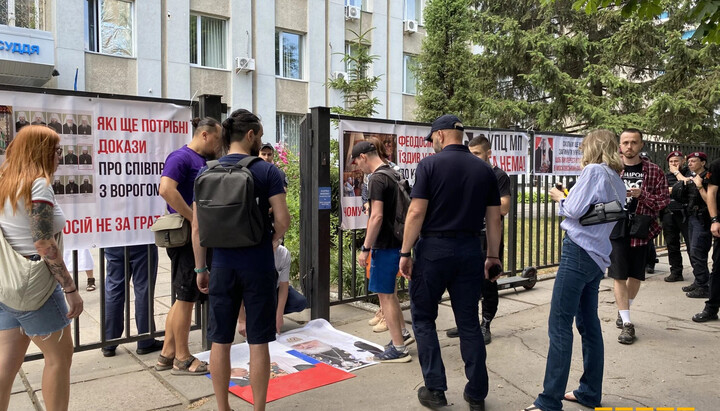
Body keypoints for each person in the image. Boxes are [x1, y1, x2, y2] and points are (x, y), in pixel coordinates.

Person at [399, 114, 501, 411]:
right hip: (470, 249)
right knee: (469, 322)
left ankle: (435, 389)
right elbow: (494, 218)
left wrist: (405, 253)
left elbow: (416, 212)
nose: (431, 144)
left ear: (441, 136)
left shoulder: (430, 165)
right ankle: (477, 394)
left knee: (423, 318)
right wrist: (492, 256)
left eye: (432, 139)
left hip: (434, 250)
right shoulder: (484, 169)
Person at [194, 109, 290, 411]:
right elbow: (284, 220)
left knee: (220, 340)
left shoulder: (206, 171)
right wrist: (272, 238)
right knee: (258, 342)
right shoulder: (267, 171)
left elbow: (197, 227)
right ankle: (258, 407)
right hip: (258, 264)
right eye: (259, 136)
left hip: (221, 265)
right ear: (250, 136)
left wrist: (201, 267)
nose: (260, 141)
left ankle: (223, 407)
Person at [524, 130, 626, 411]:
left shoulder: (594, 170)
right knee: (588, 325)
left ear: (592, 148)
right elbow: (600, 213)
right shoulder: (616, 178)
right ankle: (589, 392)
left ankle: (548, 401)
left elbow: (574, 210)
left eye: (583, 147)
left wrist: (559, 196)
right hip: (597, 257)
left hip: (578, 252)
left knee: (559, 325)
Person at [0, 125, 83, 411]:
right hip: (35, 288)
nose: (60, 156)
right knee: (59, 359)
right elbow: (44, 242)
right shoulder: (39, 185)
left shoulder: (5, 181)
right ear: (43, 151)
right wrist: (70, 288)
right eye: (58, 150)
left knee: (6, 364)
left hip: (6, 284)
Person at [156, 117, 223, 374]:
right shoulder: (180, 157)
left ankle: (167, 353)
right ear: (204, 135)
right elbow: (166, 189)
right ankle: (182, 358)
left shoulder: (201, 161)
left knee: (181, 299)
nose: (219, 145)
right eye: (217, 139)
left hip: (193, 237)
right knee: (185, 299)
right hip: (186, 238)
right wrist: (192, 217)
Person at [445, 135, 511, 345]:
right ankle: (468, 322)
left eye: (477, 154)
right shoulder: (467, 174)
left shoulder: (498, 176)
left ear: (488, 154)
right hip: (468, 235)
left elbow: (504, 207)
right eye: (470, 154)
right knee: (465, 281)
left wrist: (477, 198)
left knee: (487, 281)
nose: (472, 158)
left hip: (489, 237)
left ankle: (486, 324)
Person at [353, 140, 414, 362]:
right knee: (391, 294)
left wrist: (365, 248)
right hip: (398, 241)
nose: (359, 168)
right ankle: (403, 335)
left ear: (363, 157)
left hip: (385, 243)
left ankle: (398, 348)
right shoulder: (393, 173)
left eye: (357, 162)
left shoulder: (377, 178)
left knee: (385, 296)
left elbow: (376, 216)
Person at [609, 129, 669, 345]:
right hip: (617, 226)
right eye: (625, 142)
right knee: (618, 275)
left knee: (635, 275)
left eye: (634, 142)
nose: (629, 146)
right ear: (619, 145)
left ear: (641, 145)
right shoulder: (612, 169)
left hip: (642, 228)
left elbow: (663, 201)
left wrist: (642, 195)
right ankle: (626, 322)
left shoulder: (654, 171)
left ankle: (624, 309)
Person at [102, 245, 163, 357]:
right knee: (144, 291)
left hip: (113, 242)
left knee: (114, 290)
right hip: (142, 241)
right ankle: (145, 339)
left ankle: (109, 341)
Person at [237, 245, 307, 337]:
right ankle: (251, 313)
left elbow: (283, 285)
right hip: (252, 292)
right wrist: (242, 320)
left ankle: (268, 315)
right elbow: (237, 288)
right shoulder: (248, 254)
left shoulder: (283, 253)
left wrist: (279, 316)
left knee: (299, 302)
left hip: (274, 289)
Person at [680, 152, 712, 298]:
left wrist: (699, 186)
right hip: (692, 217)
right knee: (693, 252)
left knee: (698, 252)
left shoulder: (708, 177)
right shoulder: (693, 177)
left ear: (703, 162)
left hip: (703, 219)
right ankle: (699, 281)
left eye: (694, 161)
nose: (690, 163)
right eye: (689, 161)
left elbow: (710, 201)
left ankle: (703, 286)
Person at [693, 158, 720, 323]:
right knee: (718, 268)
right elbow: (711, 192)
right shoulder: (717, 166)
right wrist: (715, 219)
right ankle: (711, 308)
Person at [662, 150, 691, 282]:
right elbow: (661, 191)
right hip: (669, 213)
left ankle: (699, 274)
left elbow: (687, 185)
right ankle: (676, 272)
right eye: (671, 162)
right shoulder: (665, 177)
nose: (674, 164)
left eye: (676, 161)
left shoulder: (688, 173)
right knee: (672, 244)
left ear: (682, 161)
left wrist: (677, 176)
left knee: (691, 244)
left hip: (685, 214)